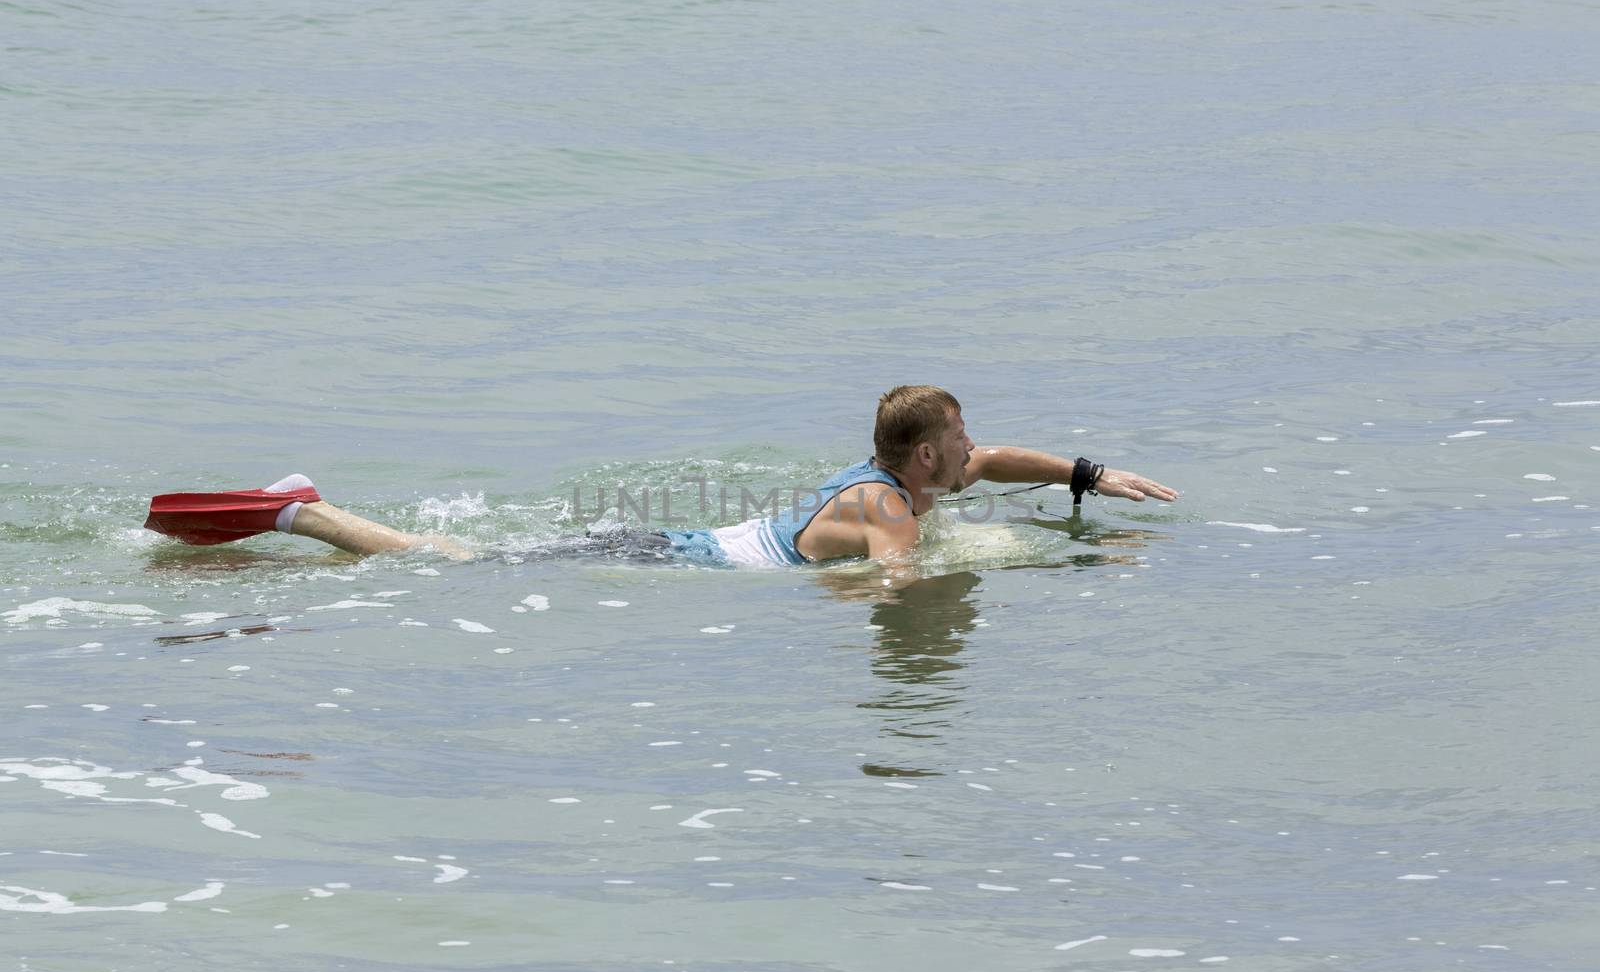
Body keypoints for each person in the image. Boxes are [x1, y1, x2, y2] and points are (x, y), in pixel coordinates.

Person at [147, 386, 1177, 566]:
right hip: (670, 553)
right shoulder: (888, 512)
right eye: (959, 440)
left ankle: (297, 509)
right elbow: (893, 590)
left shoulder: (903, 475)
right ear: (922, 456)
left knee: (464, 555)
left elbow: (1002, 462)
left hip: (688, 546)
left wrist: (1090, 472)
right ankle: (300, 510)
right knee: (449, 560)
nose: (976, 450)